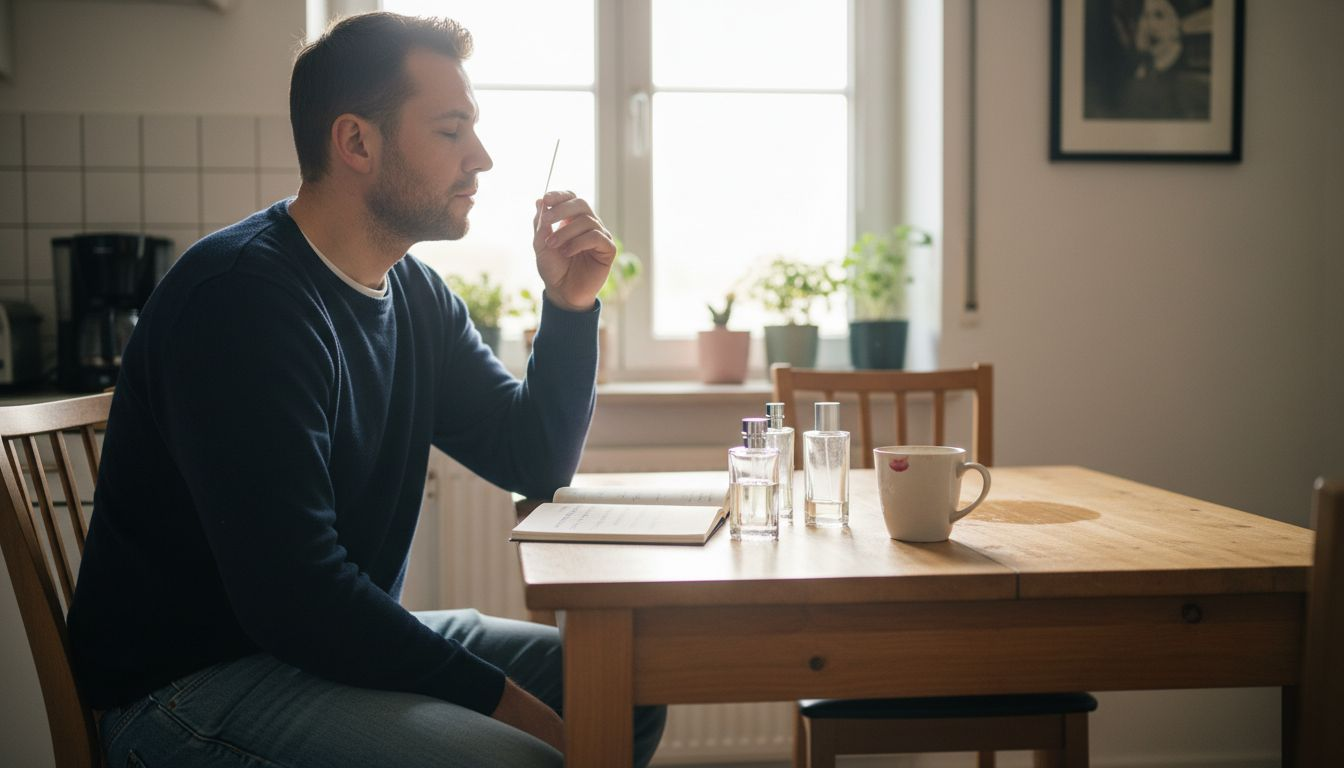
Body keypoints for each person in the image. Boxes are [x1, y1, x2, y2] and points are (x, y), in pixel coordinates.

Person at [66, 11, 665, 768]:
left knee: (626, 687)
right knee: (527, 755)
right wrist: (510, 706)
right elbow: (299, 597)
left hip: (313, 651)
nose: (481, 157)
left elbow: (534, 457)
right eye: (451, 131)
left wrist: (571, 306)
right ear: (356, 142)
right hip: (191, 687)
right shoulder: (241, 300)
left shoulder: (414, 295)